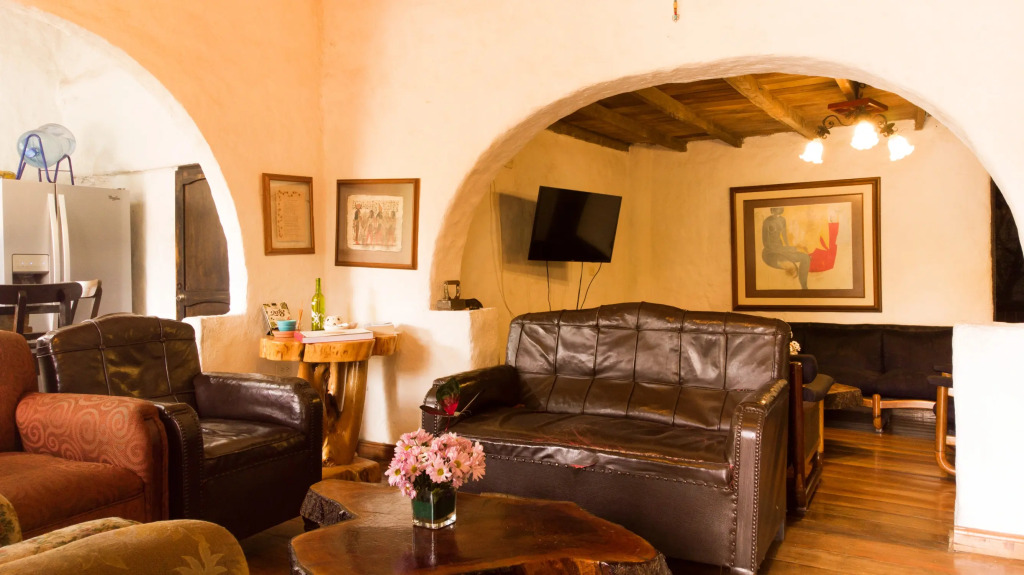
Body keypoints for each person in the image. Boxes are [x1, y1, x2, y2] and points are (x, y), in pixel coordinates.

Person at [761, 207, 810, 289]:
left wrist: (790, 248)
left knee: (805, 257)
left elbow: (784, 236)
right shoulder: (767, 222)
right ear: (772, 209)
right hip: (770, 253)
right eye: (776, 208)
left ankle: (804, 288)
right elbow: (767, 244)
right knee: (792, 267)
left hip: (782, 249)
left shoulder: (782, 220)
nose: (779, 210)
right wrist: (790, 249)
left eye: (780, 208)